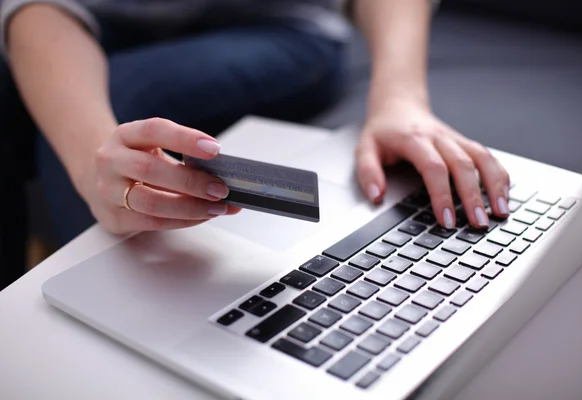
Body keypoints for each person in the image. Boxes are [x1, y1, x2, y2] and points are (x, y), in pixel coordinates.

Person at [0, 0, 509, 284]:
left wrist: (401, 98)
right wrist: (92, 160)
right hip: (90, 17)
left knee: (119, 97)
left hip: (274, 23)